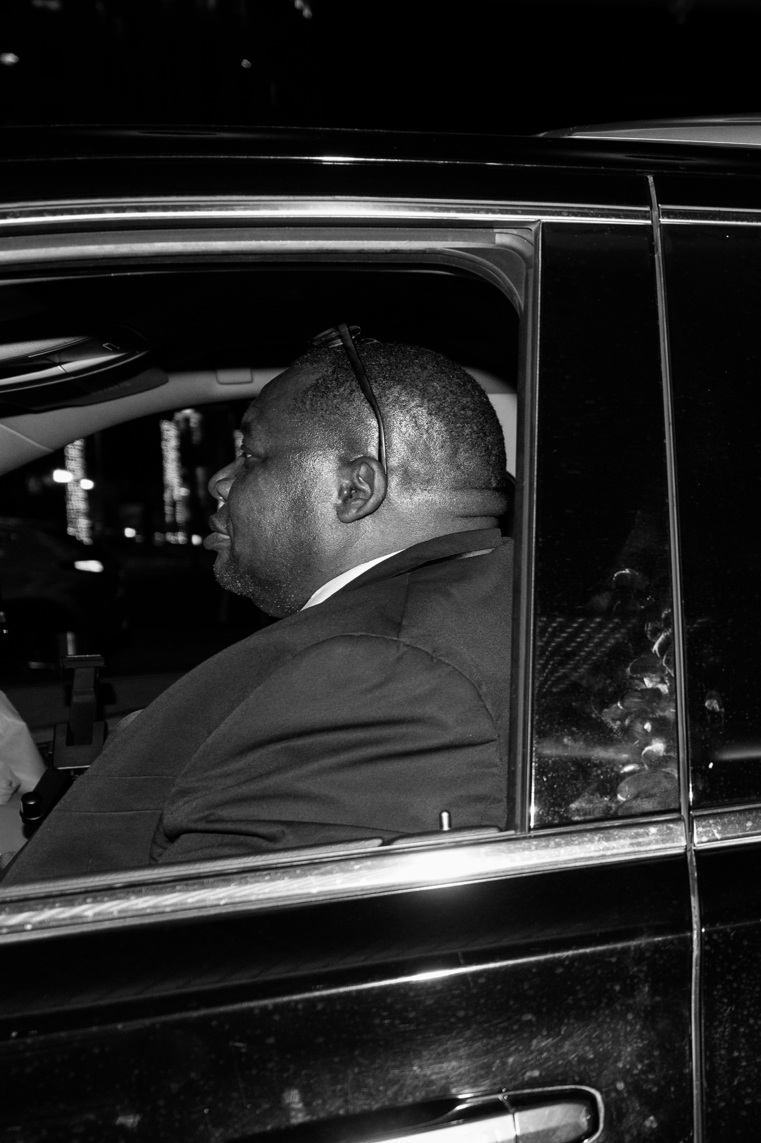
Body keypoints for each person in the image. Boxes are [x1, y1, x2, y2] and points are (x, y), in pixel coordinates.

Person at [1, 329, 513, 886]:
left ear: (354, 489)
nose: (220, 480)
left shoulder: (379, 673)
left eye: (250, 456)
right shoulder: (459, 601)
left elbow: (190, 939)